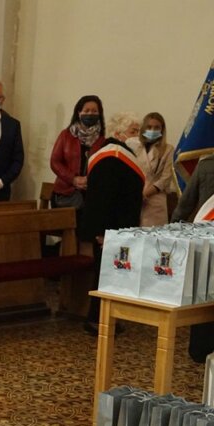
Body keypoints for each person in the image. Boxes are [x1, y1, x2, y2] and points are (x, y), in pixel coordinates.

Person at [79, 112, 144, 335]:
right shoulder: (111, 156)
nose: (139, 135)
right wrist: (101, 232)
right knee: (104, 276)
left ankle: (110, 318)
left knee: (116, 275)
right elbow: (101, 198)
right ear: (118, 133)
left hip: (120, 228)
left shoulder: (121, 154)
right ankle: (97, 320)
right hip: (109, 230)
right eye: (133, 131)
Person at [50, 95, 106, 209]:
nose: (90, 114)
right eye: (87, 110)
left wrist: (90, 180)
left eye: (95, 111)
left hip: (92, 195)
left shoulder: (103, 140)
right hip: (66, 193)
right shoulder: (66, 135)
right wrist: (73, 179)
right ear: (79, 113)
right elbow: (55, 162)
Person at [131, 112, 175, 226]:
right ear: (143, 129)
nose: (152, 130)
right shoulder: (135, 147)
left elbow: (165, 179)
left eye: (157, 127)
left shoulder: (168, 149)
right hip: (134, 198)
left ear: (162, 130)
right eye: (149, 127)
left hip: (156, 200)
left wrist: (145, 193)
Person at [172, 155, 214, 222]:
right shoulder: (204, 165)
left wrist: (174, 224)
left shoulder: (204, 165)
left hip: (206, 224)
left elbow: (186, 203)